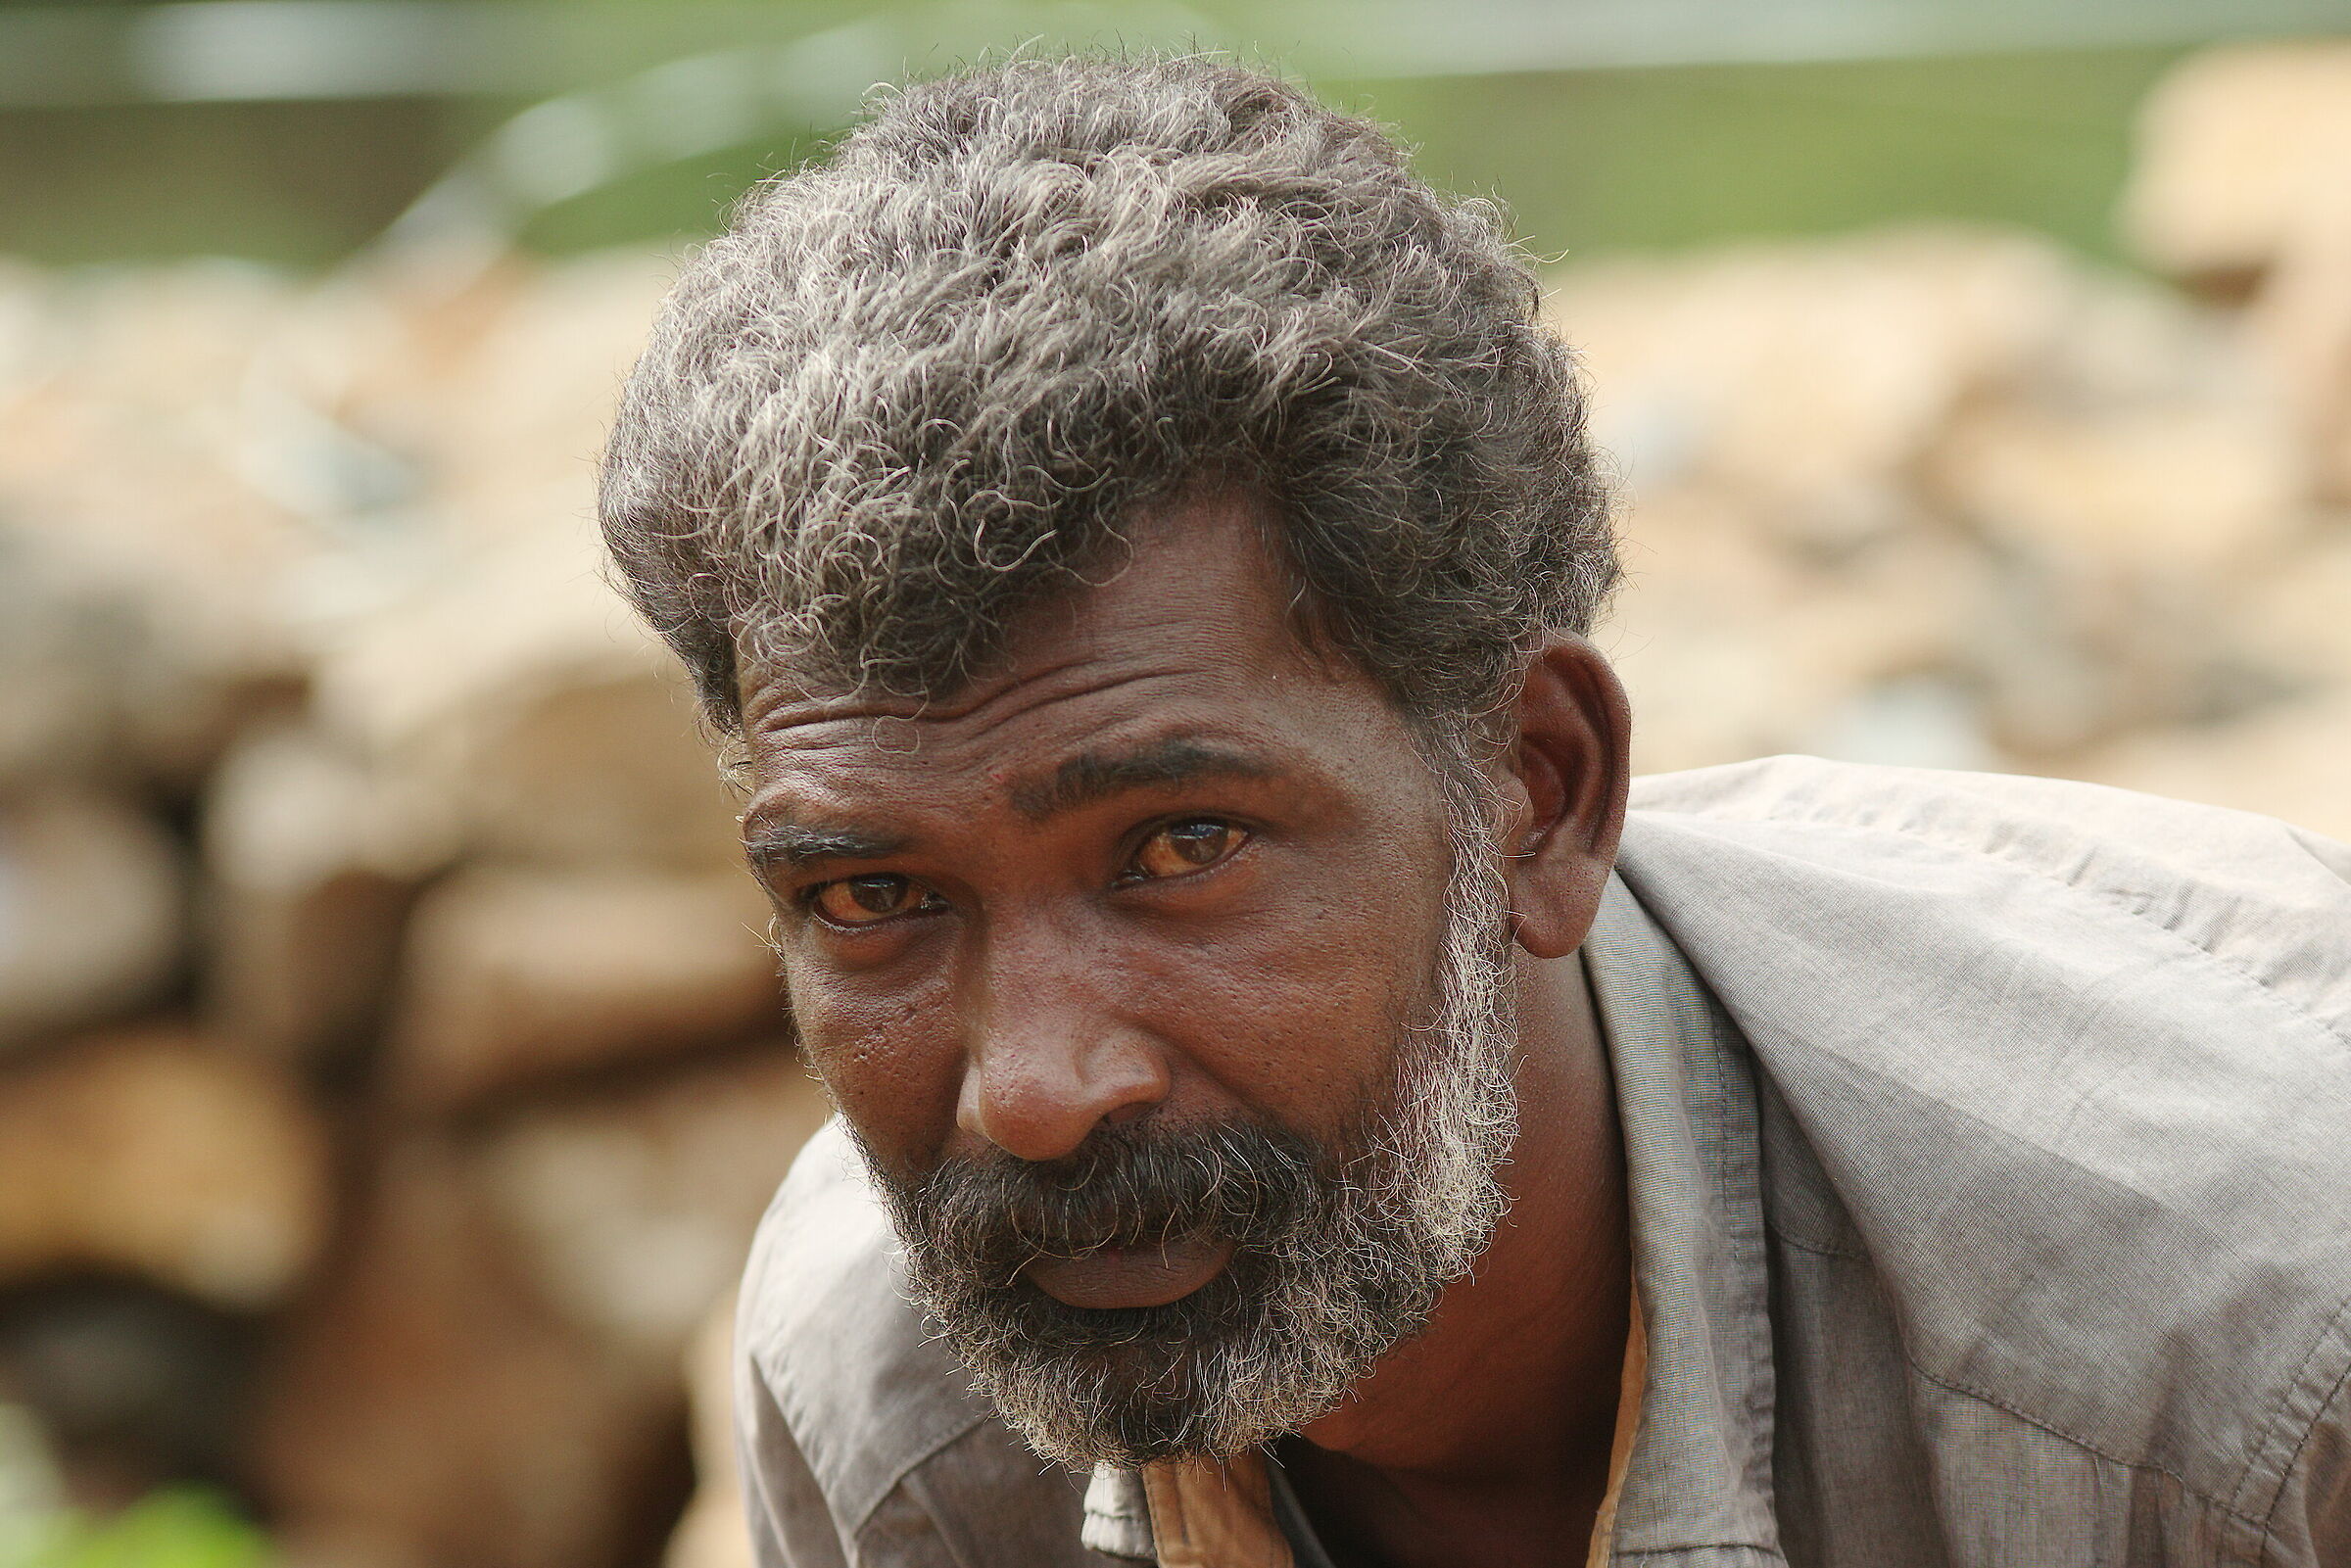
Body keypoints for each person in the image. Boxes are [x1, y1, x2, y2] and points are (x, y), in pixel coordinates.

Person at [598, 55, 2351, 1568]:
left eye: (1180, 848)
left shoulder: (2232, 1385)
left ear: (1539, 793)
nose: (1038, 1092)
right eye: (873, 897)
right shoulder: (891, 1393)